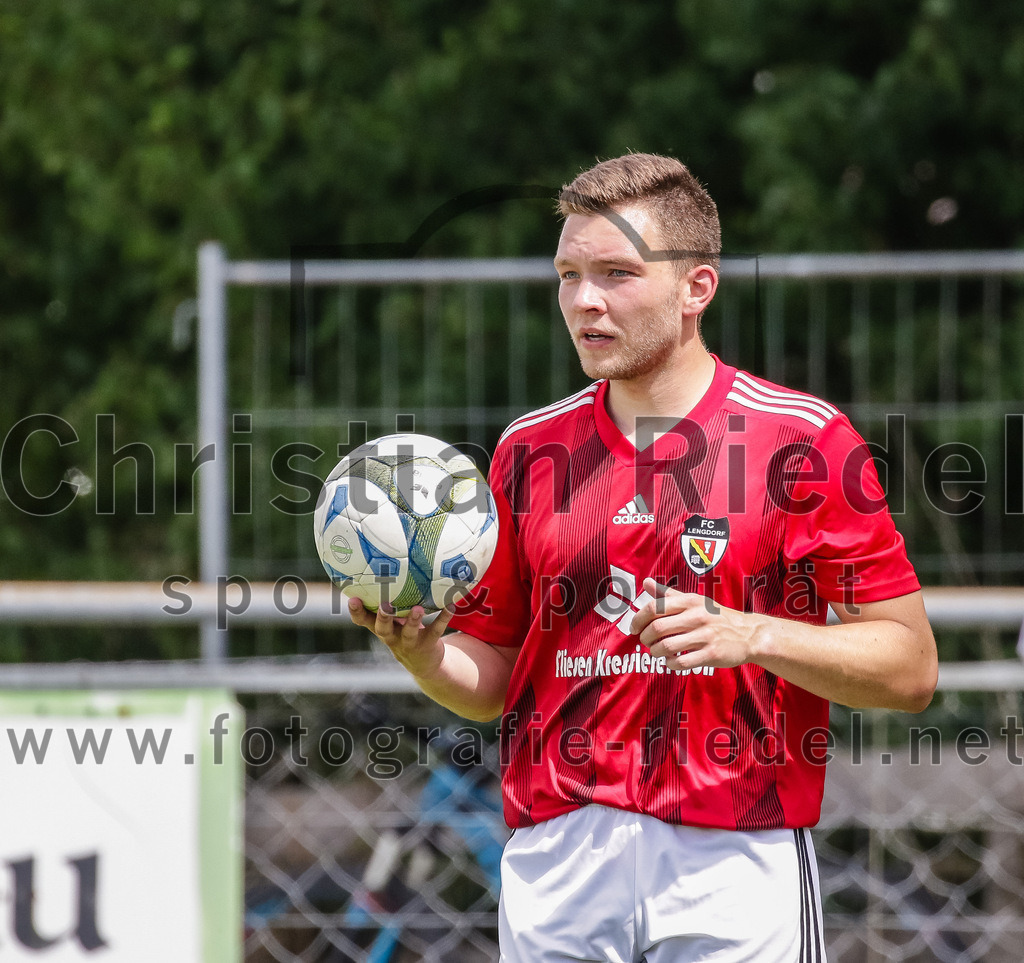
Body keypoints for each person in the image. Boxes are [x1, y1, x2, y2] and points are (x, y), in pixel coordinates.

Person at [349, 153, 938, 962]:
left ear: (697, 287)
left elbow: (908, 667)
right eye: (568, 274)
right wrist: (423, 652)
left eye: (617, 274)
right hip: (557, 863)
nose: (584, 300)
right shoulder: (528, 451)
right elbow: (494, 682)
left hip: (731, 859)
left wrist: (754, 634)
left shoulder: (800, 441)